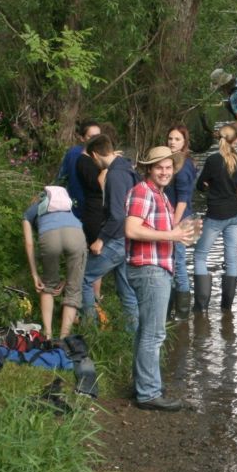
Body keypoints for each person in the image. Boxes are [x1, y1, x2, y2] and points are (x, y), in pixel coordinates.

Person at [124, 146, 197, 412]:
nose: (165, 172)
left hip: (155, 268)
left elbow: (161, 231)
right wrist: (173, 236)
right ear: (148, 169)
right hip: (150, 269)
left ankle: (145, 383)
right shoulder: (144, 191)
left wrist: (180, 234)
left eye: (168, 167)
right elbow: (131, 229)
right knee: (154, 334)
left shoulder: (160, 195)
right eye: (159, 167)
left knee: (147, 331)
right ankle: (148, 393)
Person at [79, 135, 140, 333]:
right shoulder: (127, 167)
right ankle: (132, 334)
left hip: (117, 238)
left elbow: (117, 215)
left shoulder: (114, 176)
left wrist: (100, 240)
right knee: (126, 289)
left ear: (96, 155)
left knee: (84, 278)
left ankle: (90, 329)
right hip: (129, 239)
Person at [21, 186, 86, 341]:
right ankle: (64, 340)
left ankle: (48, 336)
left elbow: (29, 244)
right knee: (73, 289)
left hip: (49, 236)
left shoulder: (30, 212)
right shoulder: (69, 211)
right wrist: (67, 280)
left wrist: (35, 274)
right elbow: (75, 266)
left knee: (48, 285)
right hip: (76, 234)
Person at [194, 124, 237, 312]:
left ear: (219, 139)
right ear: (236, 141)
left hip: (216, 214)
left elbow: (200, 185)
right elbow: (236, 184)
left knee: (200, 255)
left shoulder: (213, 160)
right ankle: (227, 308)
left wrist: (210, 186)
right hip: (235, 213)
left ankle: (201, 307)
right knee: (231, 258)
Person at [165, 124, 198, 317]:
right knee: (174, 263)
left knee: (178, 264)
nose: (172, 142)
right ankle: (172, 311)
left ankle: (182, 313)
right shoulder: (172, 160)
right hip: (178, 218)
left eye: (177, 139)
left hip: (181, 219)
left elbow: (183, 200)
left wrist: (173, 226)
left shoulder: (183, 165)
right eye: (170, 138)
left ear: (184, 142)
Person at [56, 120, 102, 208]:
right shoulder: (73, 154)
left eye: (99, 136)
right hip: (77, 205)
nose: (96, 140)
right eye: (91, 137)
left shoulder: (103, 155)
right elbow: (61, 179)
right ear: (81, 138)